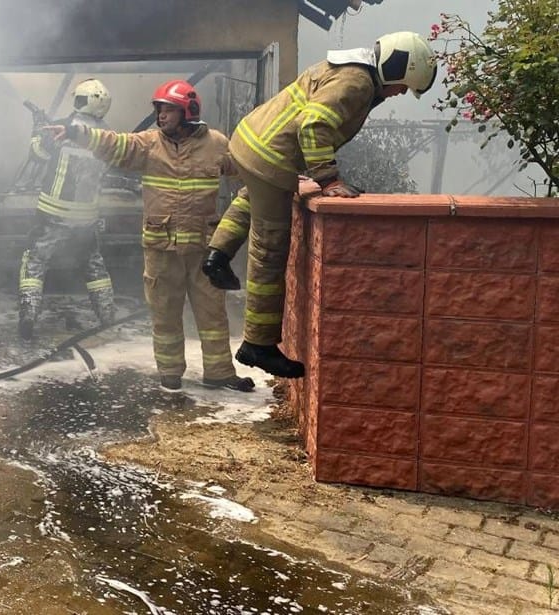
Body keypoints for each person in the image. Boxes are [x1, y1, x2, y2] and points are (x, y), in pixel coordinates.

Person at [203, 31, 437, 379]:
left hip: (251, 142)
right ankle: (258, 344)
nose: (400, 93)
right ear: (393, 69)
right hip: (270, 157)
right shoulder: (357, 82)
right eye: (403, 85)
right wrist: (329, 179)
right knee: (270, 248)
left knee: (249, 199)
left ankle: (217, 256)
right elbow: (312, 125)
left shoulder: (346, 66)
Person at [46, 79, 254, 393]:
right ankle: (170, 375)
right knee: (165, 315)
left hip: (201, 249)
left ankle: (219, 373)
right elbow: (114, 144)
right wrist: (78, 133)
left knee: (213, 315)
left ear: (188, 111)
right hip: (162, 250)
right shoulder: (148, 145)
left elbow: (247, 167)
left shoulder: (216, 143)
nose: (161, 116)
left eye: (168, 110)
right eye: (159, 110)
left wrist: (282, 173)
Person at [18, 78, 116, 340]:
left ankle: (28, 318)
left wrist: (38, 128)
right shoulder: (106, 135)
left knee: (35, 261)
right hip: (85, 216)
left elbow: (37, 154)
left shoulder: (62, 127)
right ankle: (107, 317)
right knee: (93, 265)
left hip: (53, 212)